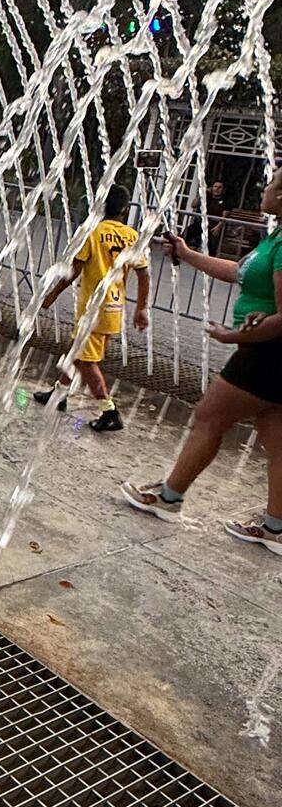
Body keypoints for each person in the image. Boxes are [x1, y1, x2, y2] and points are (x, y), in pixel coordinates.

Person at [122, 167, 282, 556]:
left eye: (274, 184)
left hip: (268, 353)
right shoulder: (276, 237)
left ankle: (168, 497)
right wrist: (189, 254)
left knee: (209, 417)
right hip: (268, 353)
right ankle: (277, 527)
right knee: (277, 440)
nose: (265, 188)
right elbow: (238, 273)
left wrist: (235, 335)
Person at [34, 183, 150, 432]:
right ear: (125, 209)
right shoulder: (132, 236)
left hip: (93, 310)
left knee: (87, 362)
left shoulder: (93, 232)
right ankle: (59, 394)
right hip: (115, 308)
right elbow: (144, 274)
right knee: (78, 353)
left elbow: (74, 270)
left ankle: (110, 411)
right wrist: (141, 308)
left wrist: (52, 295)